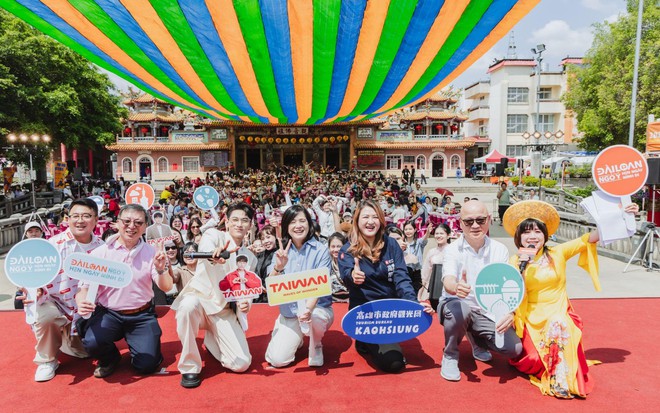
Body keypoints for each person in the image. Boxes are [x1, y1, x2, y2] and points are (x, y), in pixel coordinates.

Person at [503, 200, 638, 398]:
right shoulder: (514, 261)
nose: (532, 236)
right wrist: (521, 270)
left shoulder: (558, 253)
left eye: (537, 231)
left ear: (545, 235)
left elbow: (591, 237)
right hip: (530, 317)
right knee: (532, 359)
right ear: (519, 237)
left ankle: (560, 379)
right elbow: (514, 296)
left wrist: (622, 215)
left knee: (559, 324)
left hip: (558, 313)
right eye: (526, 232)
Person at [76, 203, 171, 379]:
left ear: (145, 226)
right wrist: (82, 301)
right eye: (127, 221)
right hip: (109, 313)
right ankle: (110, 358)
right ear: (118, 223)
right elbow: (84, 287)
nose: (131, 226)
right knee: (92, 342)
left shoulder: (152, 253)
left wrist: (160, 269)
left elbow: (166, 287)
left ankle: (141, 348)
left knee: (147, 365)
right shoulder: (100, 252)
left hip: (141, 315)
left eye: (138, 222)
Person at [338, 200, 433, 373]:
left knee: (395, 360)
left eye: (375, 217)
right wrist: (353, 276)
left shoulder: (391, 244)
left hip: (390, 310)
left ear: (381, 220)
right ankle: (363, 340)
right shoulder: (348, 249)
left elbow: (401, 278)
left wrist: (413, 305)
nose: (370, 221)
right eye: (365, 217)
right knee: (394, 363)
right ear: (357, 221)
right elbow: (346, 275)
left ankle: (372, 342)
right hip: (365, 312)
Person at [17, 199, 104, 382]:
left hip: (86, 310)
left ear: (96, 219)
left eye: (86, 216)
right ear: (67, 219)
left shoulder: (102, 248)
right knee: (46, 316)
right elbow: (33, 277)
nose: (80, 221)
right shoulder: (53, 245)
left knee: (86, 351)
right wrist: (35, 290)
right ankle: (47, 360)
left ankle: (66, 340)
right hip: (55, 303)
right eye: (75, 216)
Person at [171, 202, 256, 388]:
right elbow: (208, 248)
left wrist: (246, 304)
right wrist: (213, 255)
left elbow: (247, 289)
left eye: (244, 220)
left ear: (250, 225)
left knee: (241, 364)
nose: (239, 224)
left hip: (224, 310)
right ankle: (190, 366)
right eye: (235, 219)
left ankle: (212, 340)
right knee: (187, 306)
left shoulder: (250, 257)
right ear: (227, 221)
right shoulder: (214, 235)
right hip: (200, 302)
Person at [438, 200, 522, 382]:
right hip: (457, 305)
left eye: (480, 220)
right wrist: (456, 287)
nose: (475, 226)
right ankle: (450, 355)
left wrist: (511, 312)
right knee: (461, 309)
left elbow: (505, 286)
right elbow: (448, 280)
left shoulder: (499, 249)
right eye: (469, 221)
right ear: (460, 223)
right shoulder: (452, 250)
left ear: (489, 220)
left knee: (514, 349)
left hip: (486, 311)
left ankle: (476, 339)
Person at [265, 205, 334, 368]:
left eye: (302, 221)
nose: (298, 226)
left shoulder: (321, 250)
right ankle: (290, 332)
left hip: (316, 309)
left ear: (309, 224)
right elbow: (271, 287)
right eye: (293, 222)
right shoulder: (280, 251)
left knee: (315, 317)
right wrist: (278, 267)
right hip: (290, 313)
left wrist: (308, 310)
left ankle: (316, 344)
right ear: (286, 226)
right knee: (277, 360)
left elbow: (320, 286)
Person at [419, 223, 452, 305]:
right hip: (434, 288)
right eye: (437, 233)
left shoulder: (453, 250)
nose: (438, 236)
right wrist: (420, 292)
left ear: (448, 235)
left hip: (449, 288)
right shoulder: (431, 252)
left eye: (441, 233)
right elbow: (425, 273)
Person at [328, 232, 349, 303]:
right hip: (333, 302)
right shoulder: (327, 264)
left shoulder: (350, 263)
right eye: (333, 246)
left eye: (339, 246)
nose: (336, 250)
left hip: (349, 301)